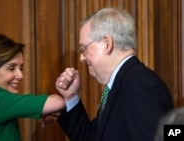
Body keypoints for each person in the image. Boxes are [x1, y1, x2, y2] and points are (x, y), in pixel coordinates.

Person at [55, 7, 174, 141]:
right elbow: (94, 138)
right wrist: (71, 97)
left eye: (84, 48)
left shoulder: (140, 85)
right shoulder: (122, 83)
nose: (82, 58)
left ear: (107, 43)